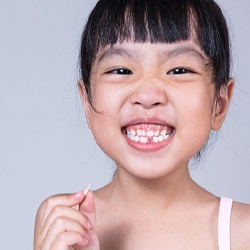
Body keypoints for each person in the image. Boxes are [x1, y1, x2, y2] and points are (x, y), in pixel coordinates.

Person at [34, 0, 250, 249]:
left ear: (219, 104)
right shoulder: (64, 221)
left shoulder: (242, 232)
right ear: (87, 100)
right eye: (121, 70)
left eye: (179, 70)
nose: (147, 95)